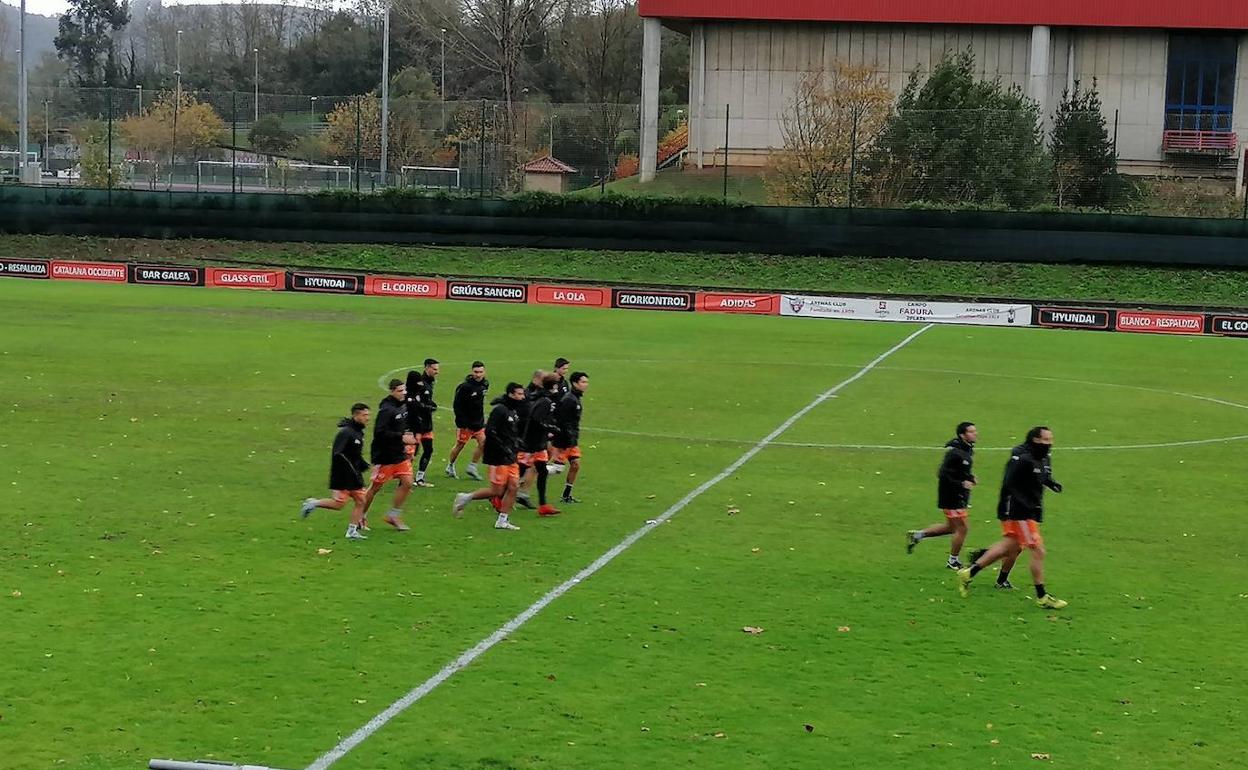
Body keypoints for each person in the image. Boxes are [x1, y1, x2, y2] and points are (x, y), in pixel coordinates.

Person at [957, 427, 1068, 610]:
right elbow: (1009, 483)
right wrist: (1015, 506)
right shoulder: (1022, 459)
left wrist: (1052, 483)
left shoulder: (1044, 458)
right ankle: (1042, 597)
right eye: (1046, 439)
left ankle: (969, 572)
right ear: (1035, 440)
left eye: (1051, 438)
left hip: (1030, 510)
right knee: (1038, 551)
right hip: (1021, 512)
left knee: (1011, 545)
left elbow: (1043, 475)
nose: (1050, 442)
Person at [453, 382, 526, 531]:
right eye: (519, 394)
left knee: (513, 487)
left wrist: (517, 444)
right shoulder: (500, 410)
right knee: (496, 491)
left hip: (511, 456)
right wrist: (503, 447)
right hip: (498, 457)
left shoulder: (513, 411)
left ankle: (502, 520)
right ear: (511, 394)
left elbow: (511, 432)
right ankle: (466, 497)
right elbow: (491, 431)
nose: (522, 397)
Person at [906, 422, 978, 569]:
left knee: (951, 527)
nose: (975, 434)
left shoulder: (967, 449)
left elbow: (958, 471)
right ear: (962, 435)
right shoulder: (954, 453)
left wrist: (970, 477)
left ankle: (917, 535)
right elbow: (943, 474)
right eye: (971, 432)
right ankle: (953, 561)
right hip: (952, 496)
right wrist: (961, 484)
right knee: (962, 529)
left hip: (958, 495)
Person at [300, 403, 372, 540]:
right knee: (339, 504)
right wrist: (352, 470)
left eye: (368, 415)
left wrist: (362, 464)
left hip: (353, 474)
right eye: (364, 415)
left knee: (361, 500)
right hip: (343, 476)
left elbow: (353, 454)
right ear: (355, 415)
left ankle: (351, 531)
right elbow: (339, 454)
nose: (367, 418)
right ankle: (313, 503)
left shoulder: (358, 432)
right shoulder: (346, 433)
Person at [362, 379, 418, 531]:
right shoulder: (386, 410)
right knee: (375, 488)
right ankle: (361, 515)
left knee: (407, 482)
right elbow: (379, 433)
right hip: (384, 456)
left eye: (404, 390)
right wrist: (401, 437)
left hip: (399, 453)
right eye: (400, 391)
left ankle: (393, 515)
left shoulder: (402, 406)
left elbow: (402, 426)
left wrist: (407, 444)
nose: (404, 393)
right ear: (392, 391)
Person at [517, 373, 562, 517]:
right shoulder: (545, 401)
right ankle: (497, 495)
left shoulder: (545, 399)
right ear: (552, 387)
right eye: (556, 387)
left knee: (542, 472)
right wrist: (551, 428)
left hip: (539, 443)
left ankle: (543, 505)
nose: (557, 390)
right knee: (520, 471)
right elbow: (536, 419)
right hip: (531, 444)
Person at [446, 361, 488, 480]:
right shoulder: (465, 387)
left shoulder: (485, 384)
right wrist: (461, 422)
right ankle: (450, 465)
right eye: (476, 372)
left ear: (484, 372)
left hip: (478, 422)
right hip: (465, 423)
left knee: (484, 443)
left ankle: (472, 466)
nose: (478, 375)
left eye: (480, 372)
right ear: (472, 372)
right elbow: (457, 405)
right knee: (460, 445)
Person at [552, 371, 588, 504]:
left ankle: (566, 495)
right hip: (565, 440)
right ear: (575, 383)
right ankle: (529, 475)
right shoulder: (569, 400)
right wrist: (565, 440)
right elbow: (562, 421)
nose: (586, 385)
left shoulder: (575, 398)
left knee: (575, 464)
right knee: (557, 469)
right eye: (583, 382)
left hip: (571, 440)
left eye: (586, 382)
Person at [406, 358, 440, 488]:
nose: (437, 372)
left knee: (428, 449)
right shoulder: (419, 383)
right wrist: (427, 407)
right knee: (413, 452)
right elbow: (414, 402)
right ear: (427, 368)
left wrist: (430, 404)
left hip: (427, 424)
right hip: (417, 425)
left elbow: (425, 400)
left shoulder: (430, 382)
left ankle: (419, 477)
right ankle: (404, 478)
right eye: (434, 369)